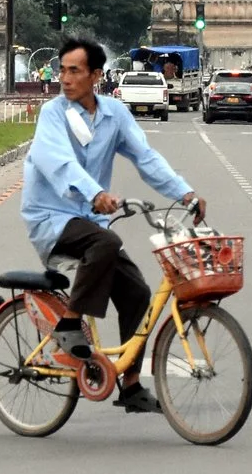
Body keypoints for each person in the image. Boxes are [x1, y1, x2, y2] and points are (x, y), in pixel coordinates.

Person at [22, 37, 206, 415]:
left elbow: (146, 158)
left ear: (96, 76)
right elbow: (58, 163)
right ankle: (70, 324)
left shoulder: (114, 115)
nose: (65, 78)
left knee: (138, 293)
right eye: (62, 70)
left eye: (74, 71)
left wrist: (185, 193)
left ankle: (132, 384)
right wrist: (94, 193)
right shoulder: (52, 115)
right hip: (51, 217)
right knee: (105, 242)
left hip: (90, 222)